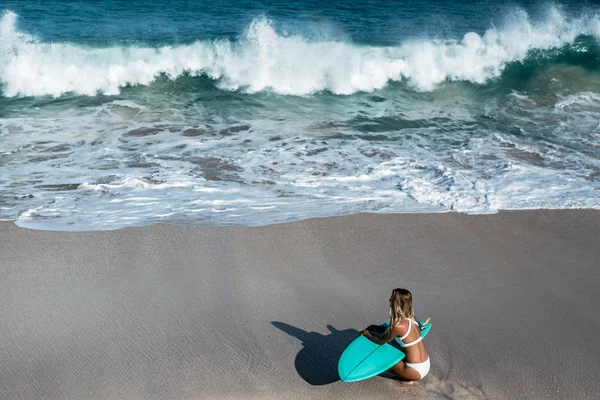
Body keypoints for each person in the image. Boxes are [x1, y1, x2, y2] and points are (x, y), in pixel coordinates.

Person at [360, 288, 430, 382]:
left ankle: (407, 380)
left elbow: (380, 341)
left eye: (391, 299)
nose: (389, 300)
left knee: (384, 356)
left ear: (395, 303)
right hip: (426, 363)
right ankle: (407, 375)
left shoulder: (398, 325)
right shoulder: (411, 316)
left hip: (414, 371)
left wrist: (366, 334)